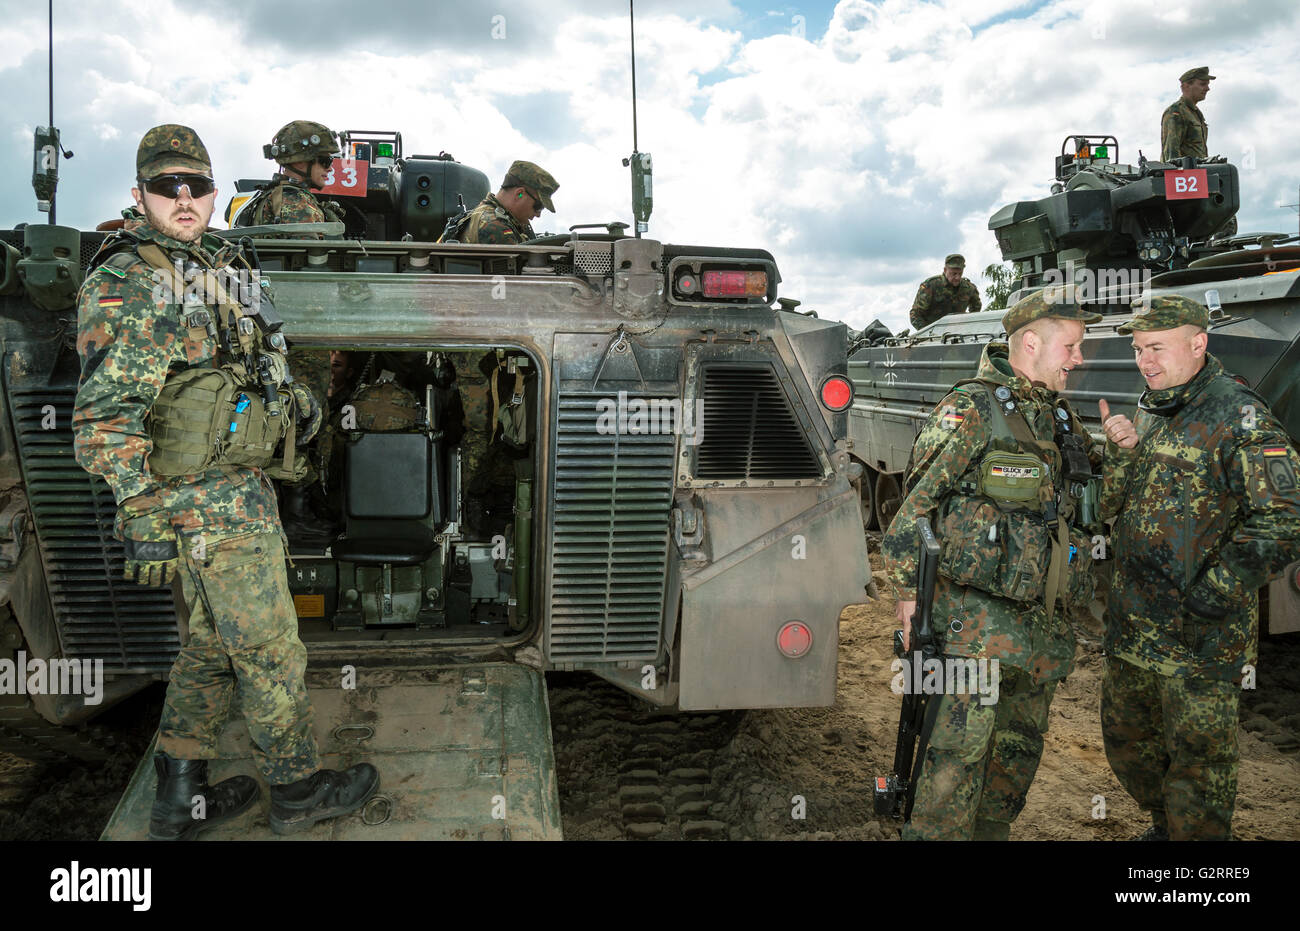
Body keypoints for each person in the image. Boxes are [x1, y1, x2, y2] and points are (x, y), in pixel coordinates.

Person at [72, 124, 378, 840]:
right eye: (165, 186)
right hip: (199, 500)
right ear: (140, 193)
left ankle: (180, 800)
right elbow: (104, 418)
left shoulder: (219, 260)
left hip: (238, 483)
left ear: (214, 191)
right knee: (269, 645)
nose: (184, 199)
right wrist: (142, 519)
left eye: (197, 186)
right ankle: (298, 789)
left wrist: (295, 405)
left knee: (211, 646)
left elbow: (258, 359)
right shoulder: (129, 280)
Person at [882, 285, 1119, 840]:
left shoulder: (1059, 420)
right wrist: (908, 600)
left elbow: (1088, 505)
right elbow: (915, 508)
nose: (1079, 359)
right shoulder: (971, 410)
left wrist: (1122, 450)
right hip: (973, 635)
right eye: (1072, 347)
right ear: (1031, 342)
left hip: (1040, 638)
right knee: (949, 776)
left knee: (1009, 774)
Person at [1101, 295, 1300, 841]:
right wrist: (1122, 453)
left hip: (1200, 640)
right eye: (1139, 349)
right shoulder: (1155, 406)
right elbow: (1116, 508)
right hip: (1135, 628)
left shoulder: (1239, 414)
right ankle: (1167, 823)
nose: (1145, 360)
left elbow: (1285, 515)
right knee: (1127, 744)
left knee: (1200, 764)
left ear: (1198, 343)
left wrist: (1217, 591)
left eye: (1157, 347)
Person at [439, 160, 557, 526]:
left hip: (484, 343)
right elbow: (531, 278)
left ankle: (488, 502)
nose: (536, 216)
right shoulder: (492, 225)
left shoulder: (487, 220)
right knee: (485, 427)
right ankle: (469, 507)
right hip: (478, 348)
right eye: (536, 206)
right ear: (519, 193)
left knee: (502, 424)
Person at [235, 120, 344, 228]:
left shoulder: (275, 195)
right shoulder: (295, 203)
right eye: (325, 161)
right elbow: (307, 245)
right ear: (300, 162)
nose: (330, 169)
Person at [442, 159, 558, 244]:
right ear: (519, 194)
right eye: (538, 206)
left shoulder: (482, 214)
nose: (538, 214)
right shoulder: (496, 228)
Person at [910, 254, 982, 331]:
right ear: (945, 270)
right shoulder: (931, 285)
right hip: (932, 336)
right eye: (954, 274)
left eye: (960, 273)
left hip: (959, 335)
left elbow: (976, 311)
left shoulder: (969, 288)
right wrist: (927, 332)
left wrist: (969, 328)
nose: (957, 277)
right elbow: (915, 314)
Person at [1161, 67, 1214, 163]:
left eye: (1207, 85)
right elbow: (1171, 156)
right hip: (1184, 175)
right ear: (1186, 86)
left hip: (1197, 174)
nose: (1207, 88)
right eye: (1203, 84)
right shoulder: (1176, 111)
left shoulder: (1196, 113)